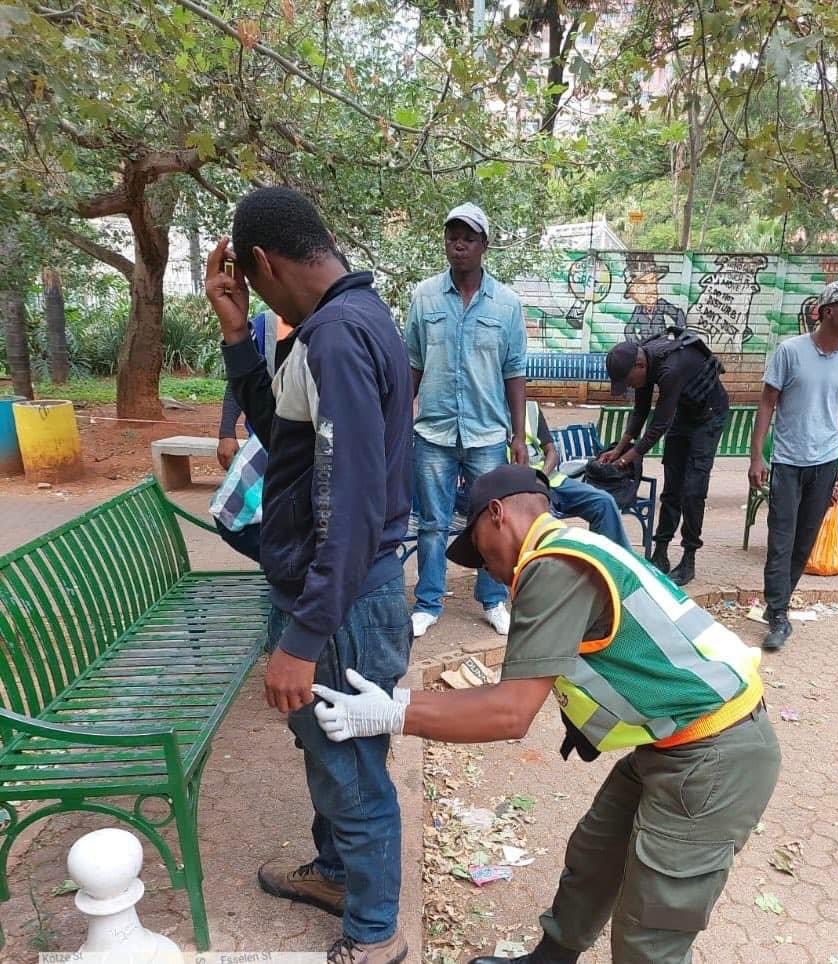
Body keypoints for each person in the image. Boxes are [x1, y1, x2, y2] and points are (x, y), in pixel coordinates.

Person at [312, 464, 781, 964]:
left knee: (653, 928)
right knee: (594, 858)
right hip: (675, 745)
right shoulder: (574, 547)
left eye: (479, 552)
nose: (485, 569)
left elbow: (509, 714)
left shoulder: (552, 567)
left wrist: (392, 711)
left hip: (715, 758)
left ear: (497, 515)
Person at [204, 186, 413, 964]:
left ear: (262, 261)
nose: (253, 294)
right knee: (329, 752)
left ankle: (373, 935)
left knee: (350, 767)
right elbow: (283, 433)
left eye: (250, 287)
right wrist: (236, 331)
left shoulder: (336, 336)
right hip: (335, 591)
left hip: (344, 601)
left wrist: (303, 636)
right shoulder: (345, 321)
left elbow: (351, 504)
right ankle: (335, 876)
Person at [406, 202, 528, 639]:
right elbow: (414, 362)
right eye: (452, 236)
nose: (458, 244)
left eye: (468, 237)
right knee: (434, 522)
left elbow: (514, 371)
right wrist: (403, 414)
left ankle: (494, 599)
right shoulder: (423, 297)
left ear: (484, 246)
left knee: (493, 521)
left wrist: (518, 435)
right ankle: (428, 602)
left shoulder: (508, 304)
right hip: (434, 431)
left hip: (487, 433)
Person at [749, 279, 838, 651]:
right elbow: (768, 403)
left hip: (826, 463)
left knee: (804, 542)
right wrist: (757, 456)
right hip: (787, 462)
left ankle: (780, 605)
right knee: (781, 540)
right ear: (827, 311)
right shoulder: (789, 351)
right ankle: (778, 613)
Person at [599, 330, 729, 587]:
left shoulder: (670, 368)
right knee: (672, 486)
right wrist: (620, 448)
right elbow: (641, 410)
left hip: (709, 417)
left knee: (693, 490)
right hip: (684, 412)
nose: (630, 387)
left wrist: (626, 460)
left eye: (628, 382)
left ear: (639, 365)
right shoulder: (644, 359)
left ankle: (689, 557)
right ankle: (660, 552)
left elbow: (658, 426)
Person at [210, 309, 289, 564]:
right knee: (246, 512)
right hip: (267, 441)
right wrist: (226, 432)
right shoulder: (266, 324)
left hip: (310, 445)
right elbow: (240, 376)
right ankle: (286, 574)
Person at [517, 399, 632, 550]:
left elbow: (551, 452)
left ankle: (614, 565)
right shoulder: (489, 414)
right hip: (521, 486)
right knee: (543, 520)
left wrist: (542, 477)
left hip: (550, 479)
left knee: (604, 502)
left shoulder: (531, 408)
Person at [622, 254, 686, 342]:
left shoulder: (661, 304)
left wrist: (678, 337)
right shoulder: (638, 310)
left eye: (653, 282)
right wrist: (637, 345)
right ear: (633, 293)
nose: (652, 289)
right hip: (646, 348)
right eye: (643, 284)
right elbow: (628, 329)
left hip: (662, 346)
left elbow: (679, 314)